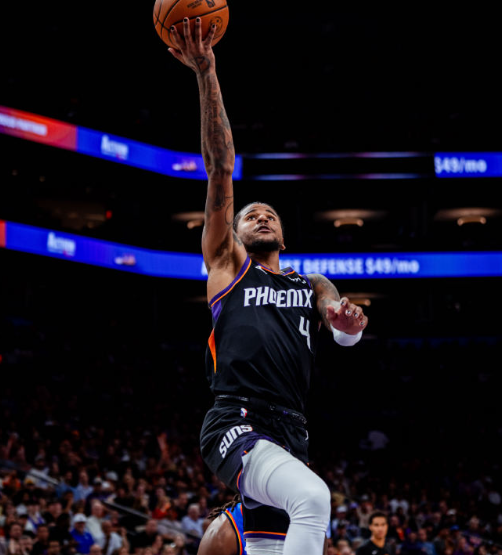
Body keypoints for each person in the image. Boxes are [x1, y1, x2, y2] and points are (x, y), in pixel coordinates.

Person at [168, 19, 368, 555]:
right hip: (237, 419)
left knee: (269, 548)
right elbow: (220, 167)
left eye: (270, 214)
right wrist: (206, 73)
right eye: (250, 214)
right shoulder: (228, 266)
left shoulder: (311, 283)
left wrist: (346, 325)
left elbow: (339, 327)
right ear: (231, 233)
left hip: (290, 431)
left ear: (284, 234)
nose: (260, 216)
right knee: (313, 498)